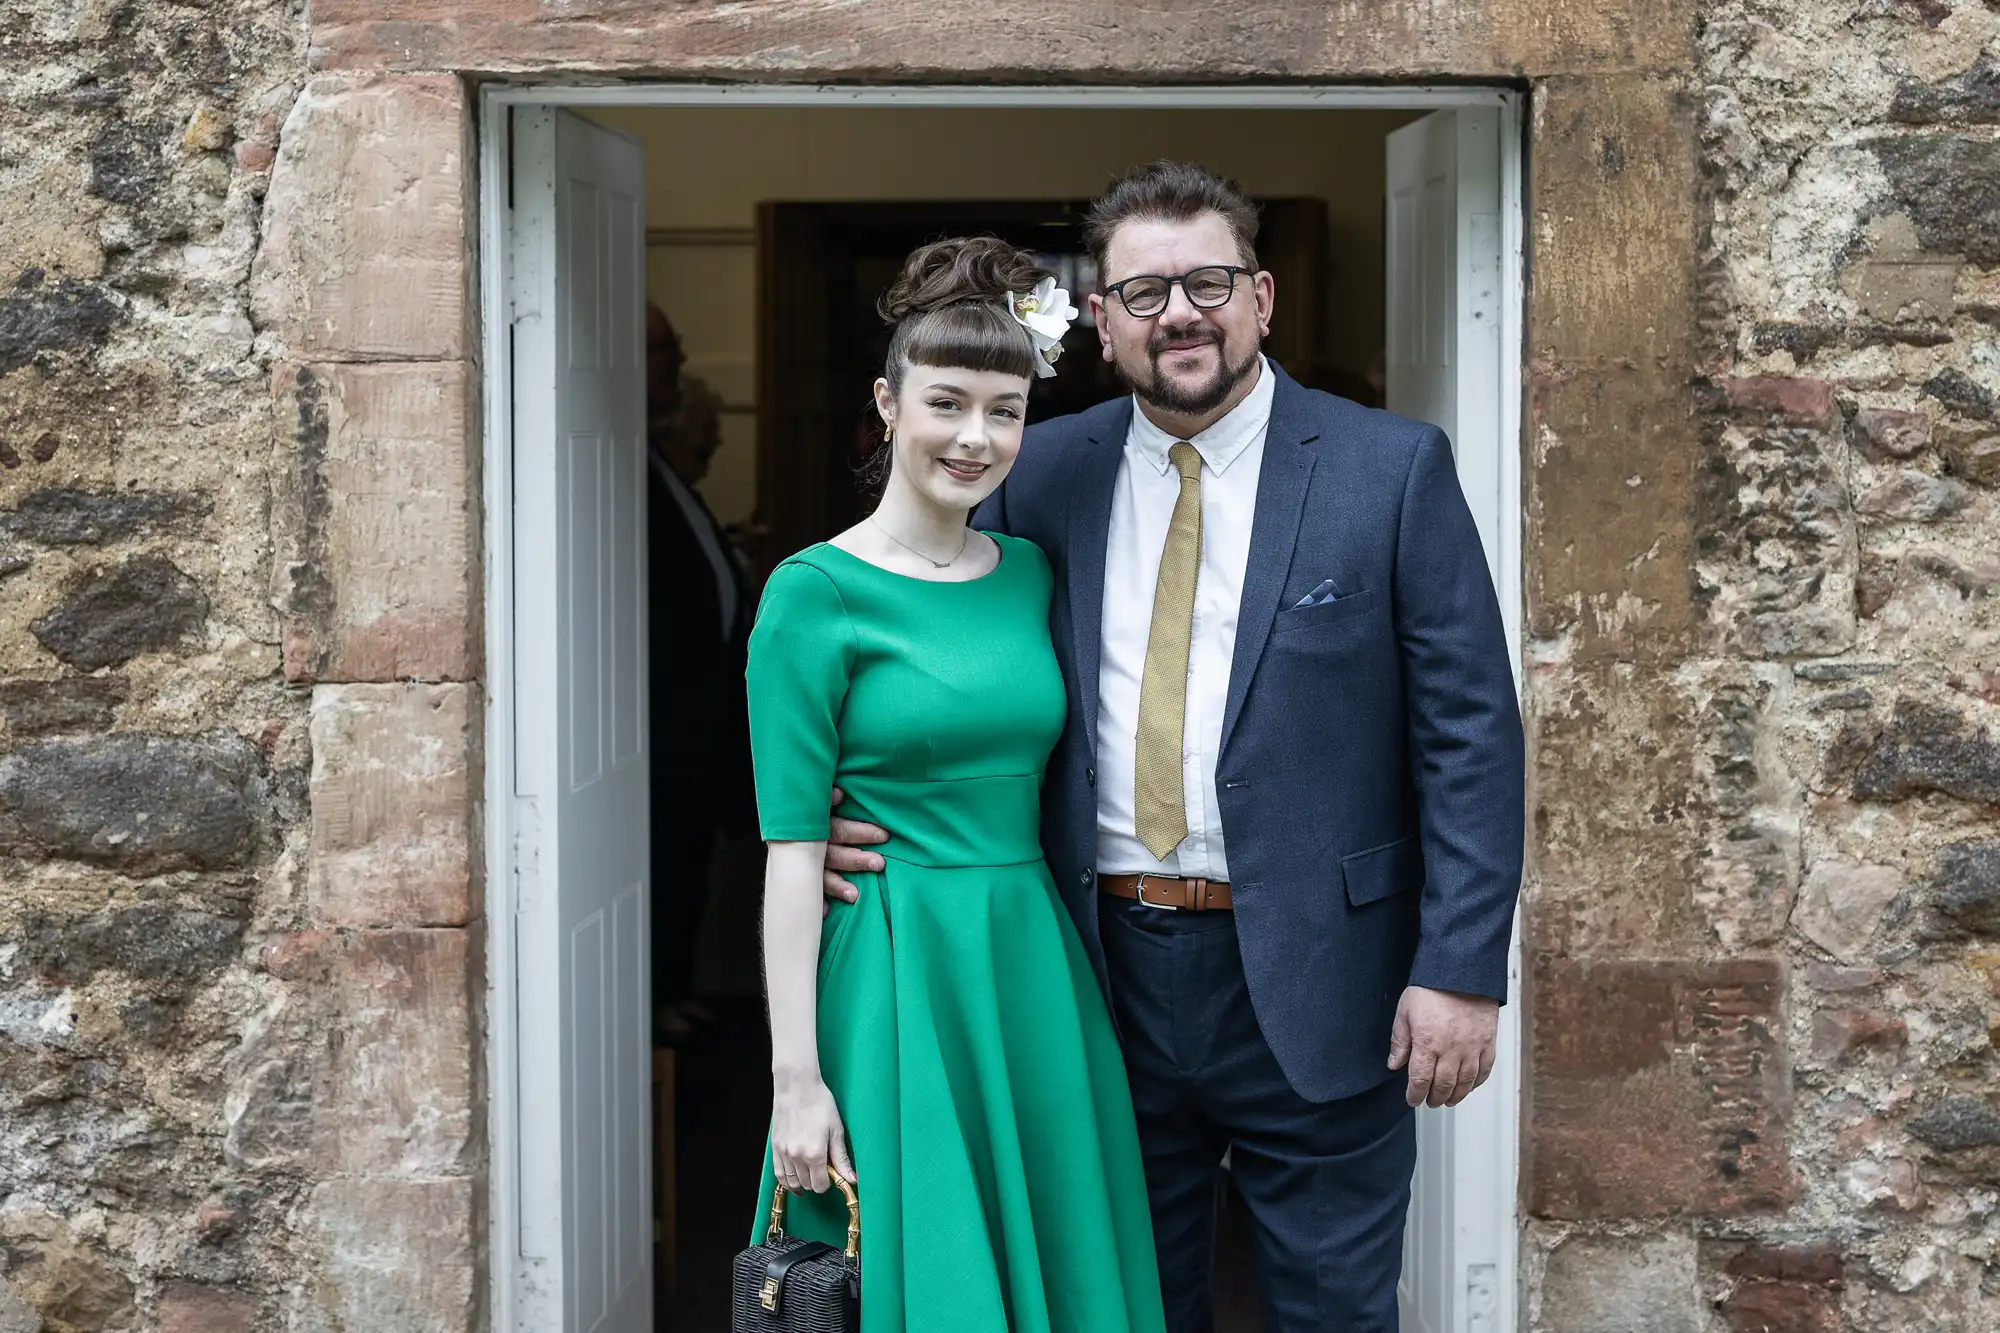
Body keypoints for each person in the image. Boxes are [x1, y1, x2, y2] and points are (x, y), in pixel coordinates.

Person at [822, 162, 1526, 1331]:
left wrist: (1457, 967)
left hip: (1326, 977)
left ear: (1259, 297)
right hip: (1093, 976)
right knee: (1120, 1306)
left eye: (1206, 283)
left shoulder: (1385, 469)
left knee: (1334, 1313)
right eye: (1143, 294)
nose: (1179, 314)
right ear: (1100, 322)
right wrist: (847, 806)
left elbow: (1468, 735)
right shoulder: (1034, 471)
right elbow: (930, 646)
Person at [746, 236, 1166, 1332]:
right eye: (946, 403)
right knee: (912, 1262)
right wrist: (796, 1077)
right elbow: (792, 853)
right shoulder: (813, 593)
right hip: (891, 963)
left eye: (1005, 410)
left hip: (1027, 957)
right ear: (886, 405)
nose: (975, 437)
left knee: (1059, 1259)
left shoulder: (1029, 572)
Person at [646, 302, 754, 1036]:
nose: (678, 367)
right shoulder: (613, 464)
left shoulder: (651, 463)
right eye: (663, 350)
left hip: (691, 742)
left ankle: (667, 1004)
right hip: (651, 740)